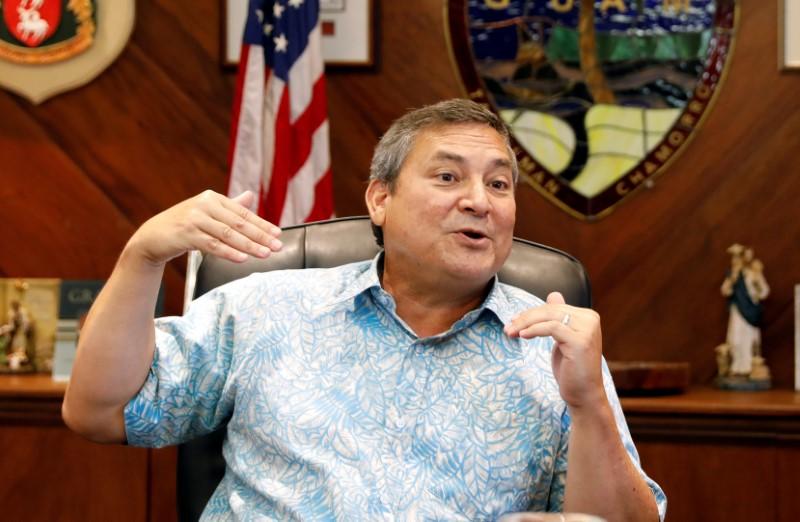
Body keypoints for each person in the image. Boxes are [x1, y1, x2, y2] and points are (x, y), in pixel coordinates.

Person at [63, 99, 666, 521]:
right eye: (448, 176)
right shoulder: (264, 309)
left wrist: (588, 404)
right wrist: (142, 257)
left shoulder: (554, 347)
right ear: (380, 199)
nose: (479, 201)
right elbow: (99, 411)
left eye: (499, 184)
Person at [720, 244, 770, 376]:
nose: (735, 261)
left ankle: (748, 369)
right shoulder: (733, 275)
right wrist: (732, 279)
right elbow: (725, 291)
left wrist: (758, 279)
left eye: (737, 258)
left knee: (748, 340)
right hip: (738, 311)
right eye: (733, 258)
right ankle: (736, 368)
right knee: (735, 340)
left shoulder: (752, 274)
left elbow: (764, 292)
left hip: (750, 311)